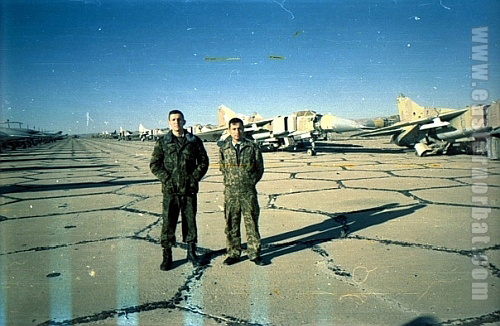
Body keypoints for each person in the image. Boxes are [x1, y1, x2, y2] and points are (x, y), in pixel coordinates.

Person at [150, 110, 209, 271]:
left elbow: (203, 161)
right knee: (168, 223)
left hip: (189, 190)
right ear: (169, 123)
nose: (176, 122)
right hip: (171, 191)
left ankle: (191, 253)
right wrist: (167, 180)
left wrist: (193, 178)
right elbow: (155, 164)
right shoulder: (163, 142)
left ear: (184, 122)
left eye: (179, 119)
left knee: (190, 222)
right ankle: (167, 256)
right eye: (173, 120)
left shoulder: (194, 141)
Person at [219, 117, 265, 266]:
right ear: (229, 131)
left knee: (251, 222)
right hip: (231, 193)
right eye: (234, 129)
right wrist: (231, 183)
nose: (237, 131)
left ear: (243, 130)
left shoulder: (252, 147)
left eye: (239, 128)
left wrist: (250, 182)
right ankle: (233, 253)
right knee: (231, 224)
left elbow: (259, 169)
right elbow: (223, 168)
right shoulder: (224, 148)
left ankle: (254, 253)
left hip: (248, 192)